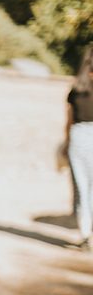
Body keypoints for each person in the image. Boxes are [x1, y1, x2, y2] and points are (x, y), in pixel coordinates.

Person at [65, 46, 93, 251]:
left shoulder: (76, 90)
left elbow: (68, 121)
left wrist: (66, 143)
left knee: (82, 188)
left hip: (78, 136)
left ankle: (85, 234)